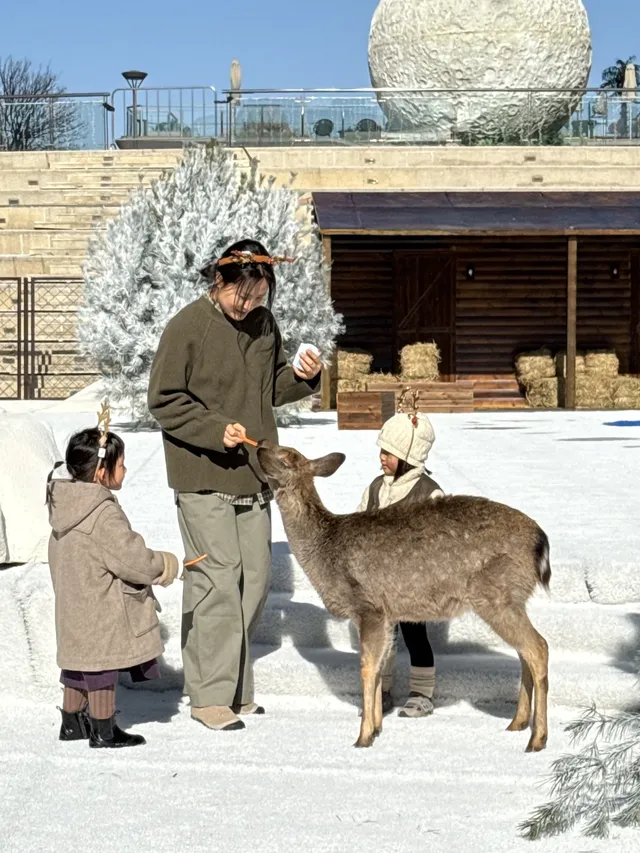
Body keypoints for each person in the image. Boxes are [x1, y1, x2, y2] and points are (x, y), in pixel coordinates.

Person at [148, 239, 322, 732]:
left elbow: (270, 388)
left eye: (258, 296)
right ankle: (208, 697)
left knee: (255, 582)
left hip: (254, 472)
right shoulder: (187, 326)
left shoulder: (265, 326)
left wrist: (304, 376)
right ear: (218, 283)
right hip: (201, 475)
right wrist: (212, 428)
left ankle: (234, 689)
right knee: (217, 580)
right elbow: (163, 400)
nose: (247, 306)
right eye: (239, 296)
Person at [48, 405, 179, 749]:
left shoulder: (64, 507)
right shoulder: (102, 513)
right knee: (100, 667)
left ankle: (72, 723)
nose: (126, 470)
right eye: (120, 464)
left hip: (73, 605)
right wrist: (165, 565)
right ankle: (105, 730)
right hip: (101, 607)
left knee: (78, 665)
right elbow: (132, 560)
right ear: (102, 471)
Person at [357, 395, 444, 718]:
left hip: (413, 584)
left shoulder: (428, 492)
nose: (381, 458)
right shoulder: (376, 488)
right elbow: (360, 522)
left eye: (389, 453)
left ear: (409, 456)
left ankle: (422, 692)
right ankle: (381, 688)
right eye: (381, 450)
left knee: (415, 635)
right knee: (382, 636)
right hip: (378, 583)